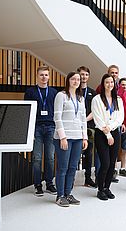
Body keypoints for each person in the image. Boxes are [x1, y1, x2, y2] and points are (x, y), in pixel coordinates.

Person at [53, 72, 88, 207]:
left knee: (73, 167)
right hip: (64, 138)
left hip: (78, 138)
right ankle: (60, 195)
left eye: (78, 79)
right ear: (68, 80)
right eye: (73, 79)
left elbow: (83, 119)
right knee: (63, 167)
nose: (76, 81)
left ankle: (68, 193)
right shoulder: (61, 96)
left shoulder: (80, 98)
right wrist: (62, 137)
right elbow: (57, 117)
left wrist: (84, 137)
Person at [24, 66, 57, 197]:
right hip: (36, 127)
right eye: (42, 75)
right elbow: (26, 110)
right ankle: (38, 184)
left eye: (46, 75)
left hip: (51, 127)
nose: (44, 77)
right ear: (37, 76)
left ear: (49, 77)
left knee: (50, 157)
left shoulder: (54, 92)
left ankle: (49, 183)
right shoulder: (30, 92)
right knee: (37, 158)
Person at [92, 74, 124, 200]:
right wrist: (108, 134)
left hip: (114, 132)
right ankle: (100, 189)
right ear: (103, 83)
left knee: (112, 163)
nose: (109, 84)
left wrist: (110, 128)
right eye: (107, 82)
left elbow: (120, 118)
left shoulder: (119, 100)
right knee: (104, 163)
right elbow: (98, 119)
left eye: (111, 82)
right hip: (101, 133)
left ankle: (107, 188)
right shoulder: (97, 99)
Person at [77, 66, 98, 188]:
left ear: (88, 76)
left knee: (89, 152)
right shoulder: (74, 90)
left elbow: (95, 110)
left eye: (86, 75)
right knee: (74, 153)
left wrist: (84, 120)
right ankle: (70, 178)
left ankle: (88, 178)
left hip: (89, 127)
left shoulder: (93, 92)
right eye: (81, 74)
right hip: (75, 127)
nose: (83, 77)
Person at [117, 77, 126, 177]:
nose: (124, 86)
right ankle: (113, 169)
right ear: (119, 85)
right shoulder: (116, 96)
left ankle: (122, 167)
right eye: (123, 84)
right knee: (115, 147)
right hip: (117, 125)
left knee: (125, 147)